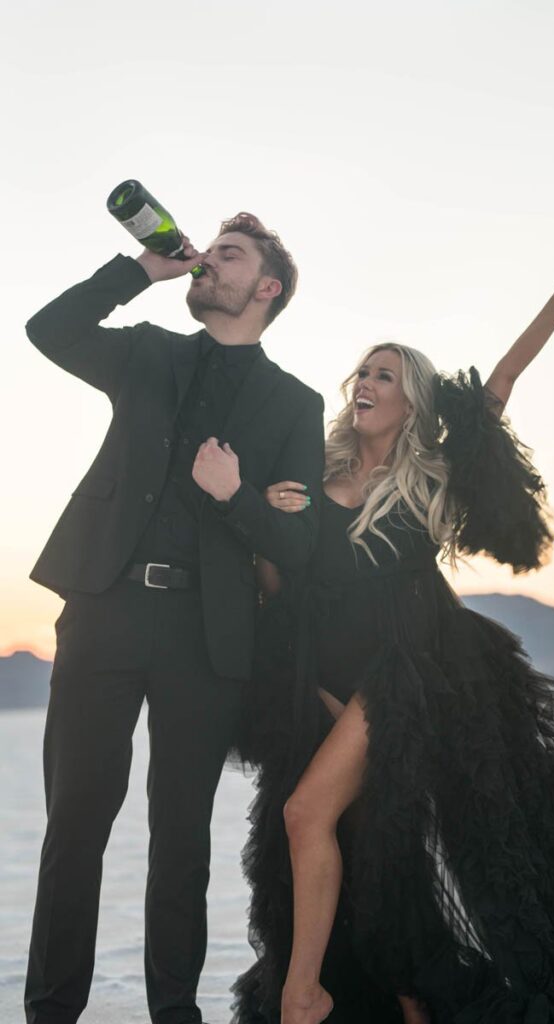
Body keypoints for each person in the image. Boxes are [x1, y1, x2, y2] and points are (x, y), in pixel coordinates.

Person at [231, 256, 554, 1024]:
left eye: (386, 376)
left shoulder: (430, 478)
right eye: (362, 372)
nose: (365, 384)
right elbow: (282, 579)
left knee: (307, 815)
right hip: (319, 679)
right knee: (376, 851)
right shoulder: (312, 473)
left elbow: (496, 389)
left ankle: (303, 997)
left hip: (403, 677)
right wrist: (268, 507)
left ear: (412, 403)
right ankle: (412, 1003)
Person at [24, 213, 324, 1024]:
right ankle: (51, 1012)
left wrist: (236, 498)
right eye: (208, 251)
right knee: (75, 823)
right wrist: (138, 270)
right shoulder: (149, 353)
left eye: (227, 255)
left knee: (181, 838)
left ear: (266, 288)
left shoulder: (295, 404)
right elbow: (47, 329)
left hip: (208, 634)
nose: (207, 261)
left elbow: (297, 546)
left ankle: (174, 1015)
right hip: (104, 609)